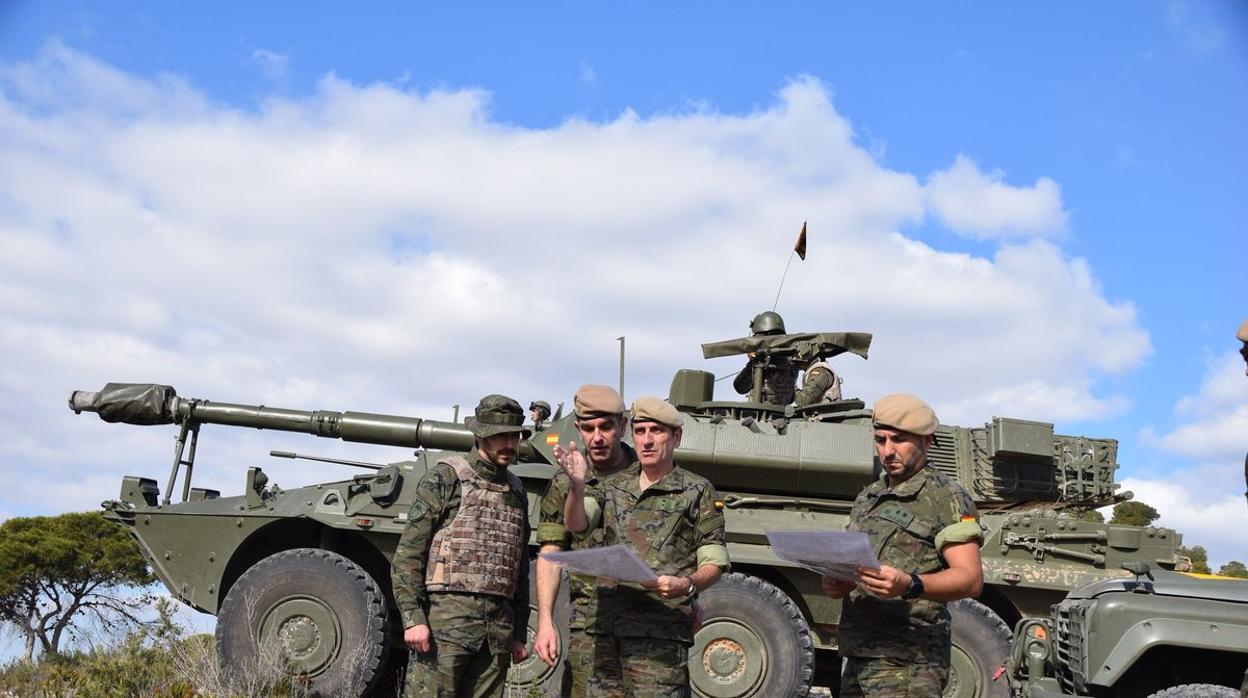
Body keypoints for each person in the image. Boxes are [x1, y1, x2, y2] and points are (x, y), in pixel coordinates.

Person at [559, 396, 729, 697]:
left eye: (656, 431)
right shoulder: (612, 485)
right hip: (605, 628)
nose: (646, 440)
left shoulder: (696, 490)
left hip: (659, 635)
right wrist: (577, 486)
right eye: (639, 431)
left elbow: (714, 561)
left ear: (676, 437)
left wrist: (687, 585)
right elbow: (577, 524)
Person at [821, 393, 983, 697]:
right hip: (859, 655)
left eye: (898, 440)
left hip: (909, 664)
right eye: (880, 440)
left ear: (926, 440)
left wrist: (910, 584)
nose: (888, 450)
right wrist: (839, 582)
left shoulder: (945, 497)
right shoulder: (868, 497)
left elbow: (971, 578)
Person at [391, 394, 532, 697]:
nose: (510, 443)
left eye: (514, 436)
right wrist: (414, 619)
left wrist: (518, 633)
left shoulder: (517, 491)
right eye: (501, 436)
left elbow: (520, 570)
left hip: (496, 636)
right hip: (446, 630)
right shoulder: (445, 479)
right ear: (481, 435)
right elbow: (408, 556)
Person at [534, 385, 636, 696]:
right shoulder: (564, 483)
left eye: (606, 426)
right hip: (588, 623)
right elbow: (550, 553)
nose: (597, 437)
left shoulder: (649, 476)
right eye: (589, 428)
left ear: (622, 426)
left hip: (647, 620)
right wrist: (546, 622)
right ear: (578, 428)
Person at [732, 311, 800, 405]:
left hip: (761, 414)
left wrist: (754, 361)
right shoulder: (793, 358)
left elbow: (740, 387)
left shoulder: (763, 359)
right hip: (784, 412)